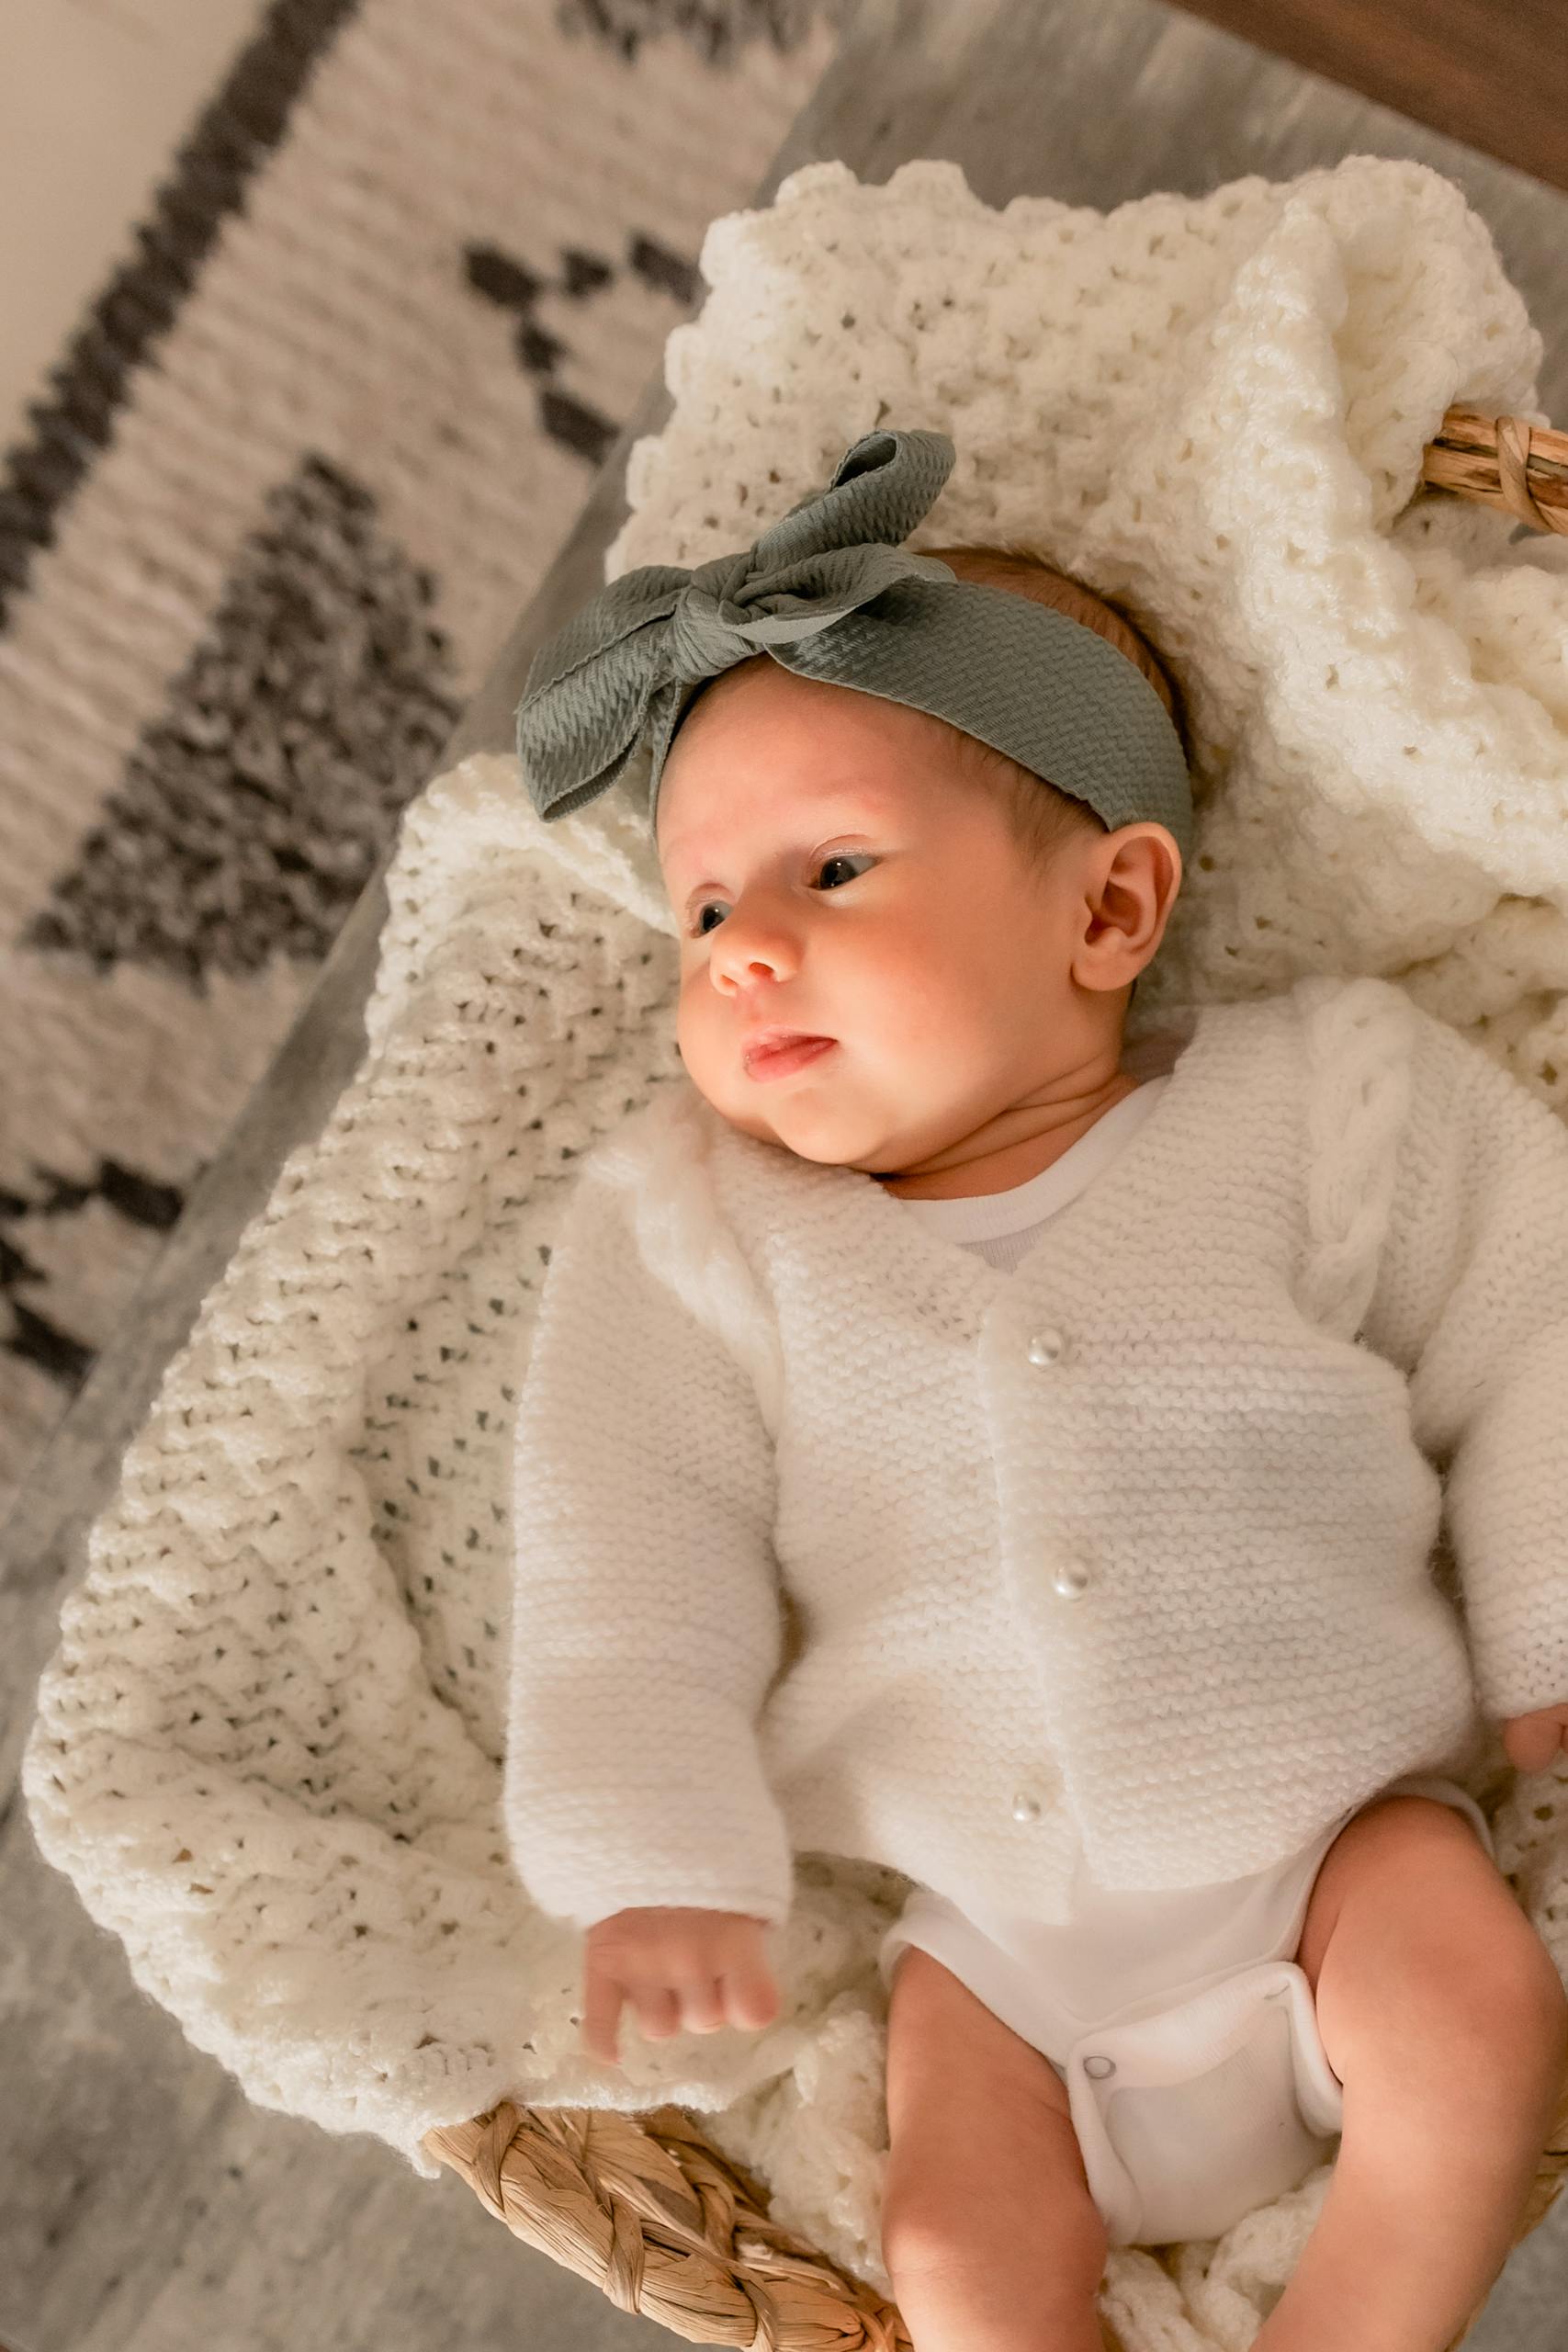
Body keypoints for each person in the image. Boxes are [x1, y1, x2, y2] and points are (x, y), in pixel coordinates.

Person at [505, 428, 1568, 2352]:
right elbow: (619, 1549)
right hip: (992, 1939)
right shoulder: (701, 1233)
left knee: (1479, 2020)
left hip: (1334, 1832)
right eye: (703, 911)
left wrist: (1539, 1604)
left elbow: (1532, 1310)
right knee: (961, 2258)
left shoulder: (1320, 1103)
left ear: (1104, 910)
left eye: (831, 867)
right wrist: (645, 1848)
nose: (744, 947)